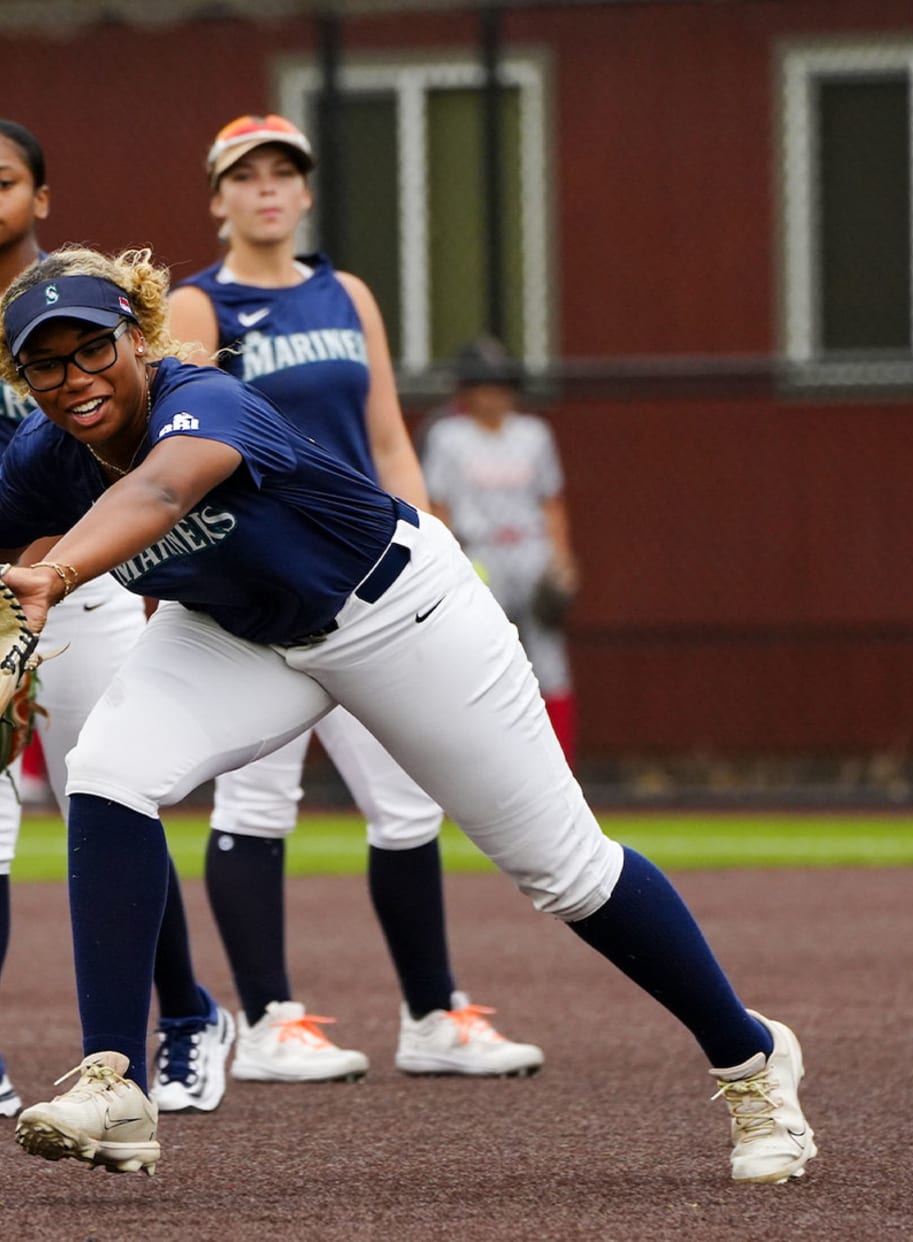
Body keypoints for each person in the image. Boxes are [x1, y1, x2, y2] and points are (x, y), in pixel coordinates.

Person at [0, 247, 817, 1184]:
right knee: (109, 769)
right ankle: (115, 1086)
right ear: (20, 380)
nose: (75, 376)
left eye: (93, 347)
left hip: (397, 610)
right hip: (242, 636)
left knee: (563, 868)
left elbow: (164, 489)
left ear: (139, 339)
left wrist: (55, 572)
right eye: (46, 365)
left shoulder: (204, 398)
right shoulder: (48, 452)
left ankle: (752, 1060)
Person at [0, 118, 229, 1124]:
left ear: (42, 198)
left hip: (81, 570)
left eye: (5, 179)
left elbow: (127, 447)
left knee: (104, 799)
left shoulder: (69, 297)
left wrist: (55, 579)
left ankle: (190, 1018)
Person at [164, 114, 540, 1087]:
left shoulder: (347, 294)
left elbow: (385, 437)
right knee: (256, 798)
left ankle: (431, 1015)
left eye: (284, 171)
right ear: (218, 199)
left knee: (408, 801)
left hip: (369, 582)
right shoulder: (199, 308)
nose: (268, 189)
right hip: (262, 587)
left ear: (305, 191)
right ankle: (268, 1020)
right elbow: (175, 456)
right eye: (246, 175)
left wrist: (431, 541)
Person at [424, 336, 580, 763]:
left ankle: (559, 766)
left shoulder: (533, 434)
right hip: (479, 555)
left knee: (548, 662)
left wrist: (562, 558)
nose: (492, 394)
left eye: (499, 385)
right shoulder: (448, 437)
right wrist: (446, 565)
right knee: (477, 660)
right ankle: (485, 764)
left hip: (531, 549)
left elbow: (551, 501)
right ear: (466, 392)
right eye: (482, 385)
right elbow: (439, 506)